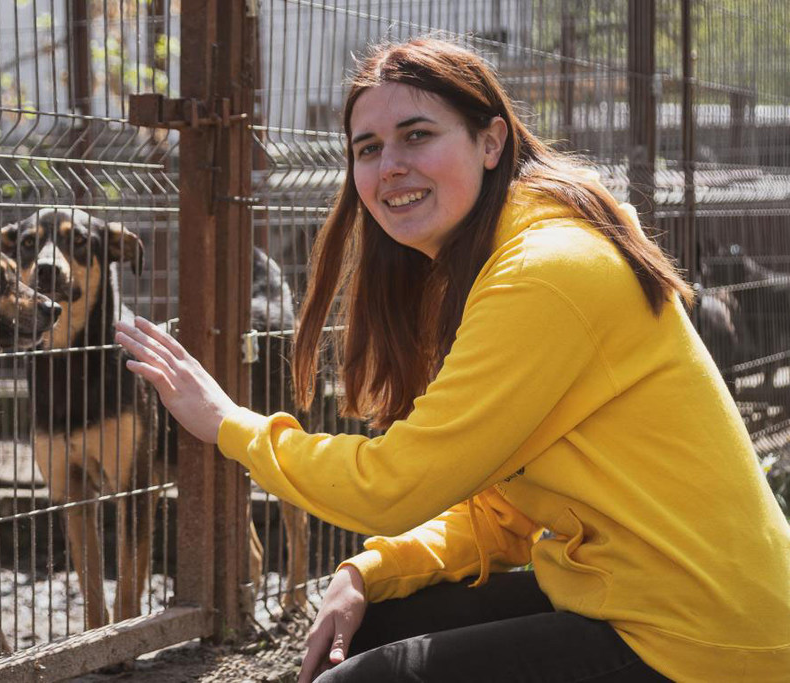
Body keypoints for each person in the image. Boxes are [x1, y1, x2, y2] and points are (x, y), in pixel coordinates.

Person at [115, 38, 790, 682]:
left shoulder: (544, 272)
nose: (389, 167)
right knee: (374, 620)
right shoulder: (502, 257)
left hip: (704, 640)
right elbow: (503, 513)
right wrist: (367, 572)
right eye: (368, 147)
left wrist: (228, 422)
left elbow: (395, 483)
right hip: (643, 601)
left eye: (417, 135)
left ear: (490, 141)